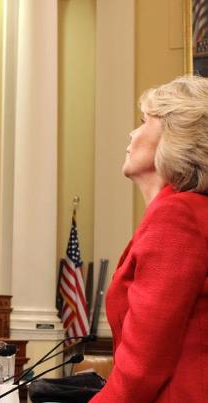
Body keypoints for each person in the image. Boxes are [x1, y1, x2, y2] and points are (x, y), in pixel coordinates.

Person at [90, 75, 208, 402]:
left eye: (143, 122)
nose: (132, 133)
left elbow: (140, 369)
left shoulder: (178, 216)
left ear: (176, 135)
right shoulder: (190, 211)